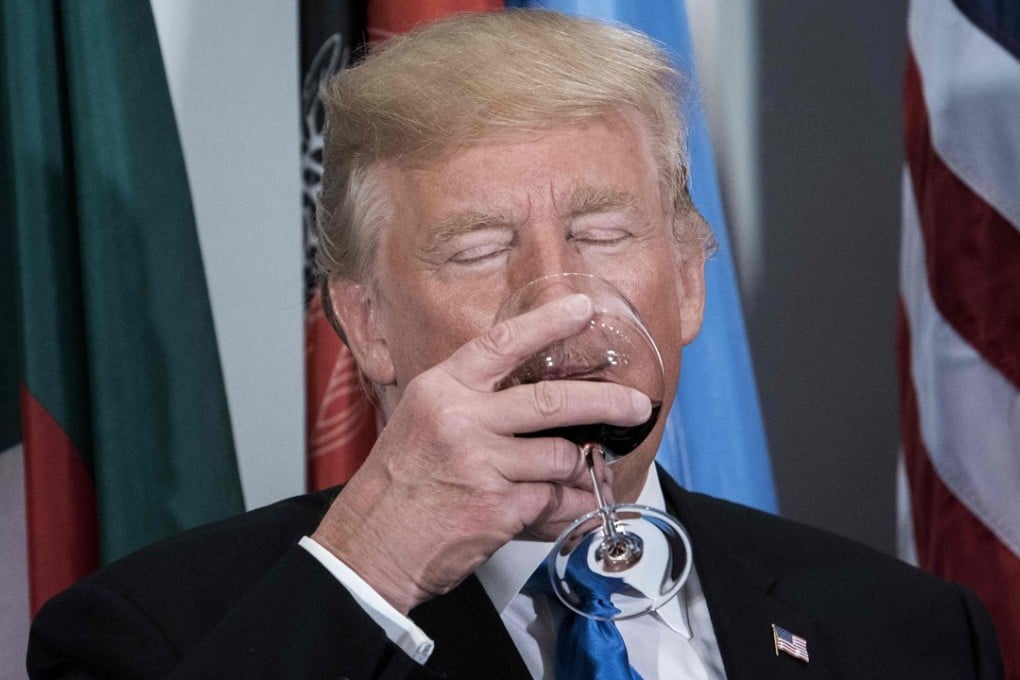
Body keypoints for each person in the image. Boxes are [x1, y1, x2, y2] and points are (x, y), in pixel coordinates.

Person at [28, 10, 1003, 679]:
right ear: (366, 323)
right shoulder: (155, 634)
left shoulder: (908, 632)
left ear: (688, 278)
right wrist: (372, 569)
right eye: (480, 249)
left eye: (603, 233)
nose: (562, 296)